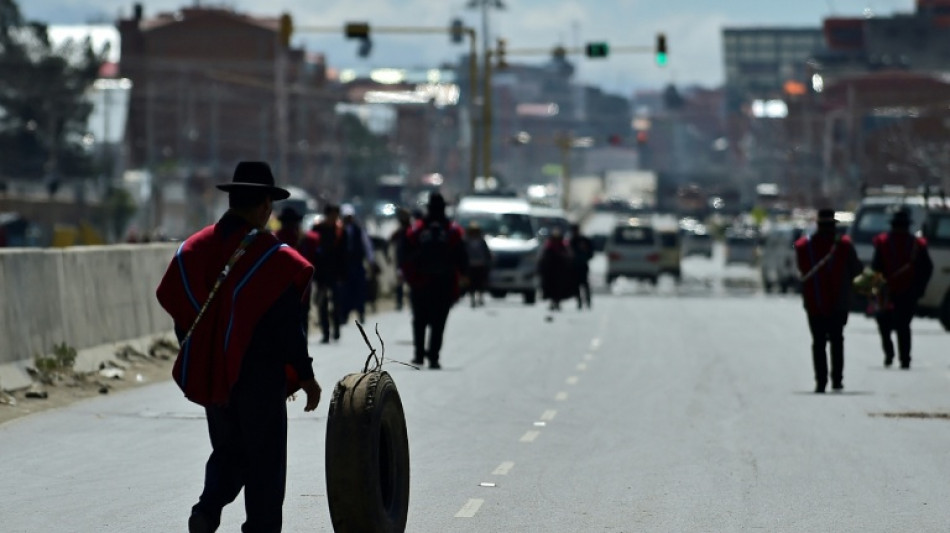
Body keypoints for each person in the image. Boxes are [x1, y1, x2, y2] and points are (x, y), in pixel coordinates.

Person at [155, 161, 322, 533]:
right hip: (260, 378)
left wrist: (203, 355)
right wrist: (306, 375)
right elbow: (288, 326)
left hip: (215, 374)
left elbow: (178, 308)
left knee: (229, 450)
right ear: (265, 205)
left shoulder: (193, 250)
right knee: (265, 462)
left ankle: (207, 509)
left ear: (232, 200)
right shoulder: (274, 258)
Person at [794, 208, 863, 393]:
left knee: (818, 342)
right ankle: (837, 380)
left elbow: (801, 270)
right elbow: (857, 270)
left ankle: (821, 381)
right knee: (837, 340)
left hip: (814, 301)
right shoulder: (844, 246)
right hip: (839, 302)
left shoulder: (804, 247)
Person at [402, 192, 468, 369]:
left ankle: (419, 355)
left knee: (419, 320)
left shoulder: (417, 230)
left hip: (420, 283)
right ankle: (433, 357)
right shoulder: (453, 231)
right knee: (439, 322)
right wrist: (463, 278)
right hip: (444, 284)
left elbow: (405, 255)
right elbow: (462, 257)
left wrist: (409, 276)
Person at [871, 208, 934, 369]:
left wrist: (876, 290)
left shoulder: (883, 243)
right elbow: (927, 268)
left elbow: (875, 268)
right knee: (903, 326)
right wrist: (919, 289)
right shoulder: (917, 244)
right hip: (909, 291)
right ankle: (904, 358)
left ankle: (889, 354)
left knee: (884, 323)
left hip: (887, 291)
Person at [304, 204, 345, 344]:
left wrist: (342, 273)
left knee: (336, 302)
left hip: (336, 273)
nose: (334, 218)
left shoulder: (340, 231)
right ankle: (325, 332)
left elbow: (344, 254)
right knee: (322, 303)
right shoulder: (317, 229)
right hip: (321, 273)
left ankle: (337, 329)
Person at [339, 203, 375, 324]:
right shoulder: (339, 230)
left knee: (359, 290)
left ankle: (361, 313)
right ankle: (344, 315)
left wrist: (371, 261)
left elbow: (367, 246)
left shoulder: (359, 230)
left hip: (357, 265)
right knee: (345, 292)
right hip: (345, 266)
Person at [538, 227, 575, 311]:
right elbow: (544, 257)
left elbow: (569, 255)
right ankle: (553, 301)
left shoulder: (563, 244)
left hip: (560, 270)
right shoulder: (549, 244)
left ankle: (557, 301)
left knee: (560, 287)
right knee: (550, 286)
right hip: (551, 270)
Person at [388, 207, 412, 311]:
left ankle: (411, 301)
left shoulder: (411, 229)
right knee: (400, 281)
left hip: (411, 260)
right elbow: (391, 239)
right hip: (401, 261)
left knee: (411, 281)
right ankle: (399, 302)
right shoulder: (400, 231)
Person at [464, 221, 492, 308]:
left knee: (480, 283)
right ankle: (472, 298)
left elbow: (486, 252)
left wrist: (489, 261)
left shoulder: (481, 241)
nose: (474, 233)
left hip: (480, 264)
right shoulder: (466, 241)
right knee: (472, 283)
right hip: (471, 265)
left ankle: (480, 297)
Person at [568, 223, 594, 309]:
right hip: (574, 266)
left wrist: (585, 257)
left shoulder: (584, 240)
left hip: (583, 265)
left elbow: (590, 252)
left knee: (584, 283)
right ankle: (579, 301)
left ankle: (588, 300)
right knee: (576, 285)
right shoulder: (571, 241)